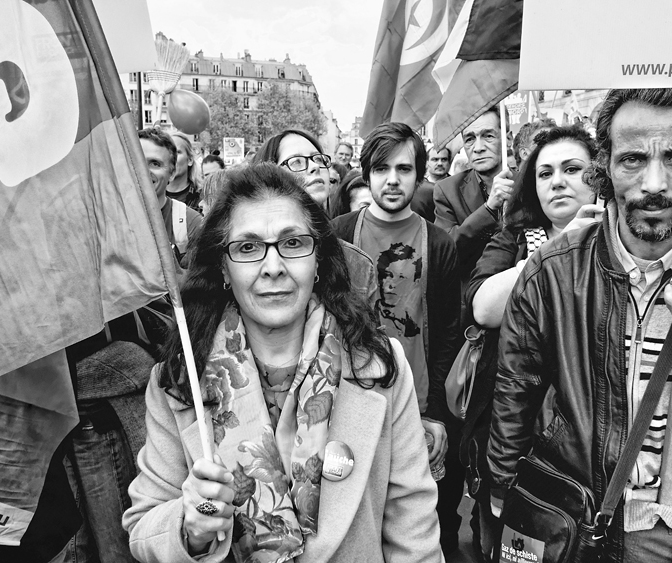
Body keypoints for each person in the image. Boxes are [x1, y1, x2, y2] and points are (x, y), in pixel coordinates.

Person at [122, 163, 442, 562]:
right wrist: (190, 528)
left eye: (292, 244)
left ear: (320, 259)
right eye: (248, 247)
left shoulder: (379, 366)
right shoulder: (180, 381)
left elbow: (413, 528)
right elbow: (143, 528)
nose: (273, 267)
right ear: (223, 266)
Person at [488, 88, 672, 562]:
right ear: (605, 167)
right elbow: (515, 396)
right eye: (633, 159)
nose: (654, 182)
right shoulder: (553, 272)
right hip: (575, 521)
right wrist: (501, 500)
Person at [462, 125, 601, 563]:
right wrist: (563, 246)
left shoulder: (624, 245)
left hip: (592, 443)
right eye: (544, 173)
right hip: (517, 438)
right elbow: (484, 308)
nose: (557, 181)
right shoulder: (516, 238)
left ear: (600, 176)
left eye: (573, 169)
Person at [331, 122, 462, 556]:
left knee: (418, 522)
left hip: (417, 408)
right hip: (351, 404)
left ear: (419, 175)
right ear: (366, 174)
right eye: (382, 168)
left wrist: (438, 413)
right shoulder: (338, 234)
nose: (392, 179)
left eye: (404, 168)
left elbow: (447, 334)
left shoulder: (439, 243)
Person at [254, 130, 377, 300]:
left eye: (318, 159)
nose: (314, 167)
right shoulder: (247, 257)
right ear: (268, 173)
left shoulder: (357, 264)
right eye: (296, 161)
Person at [433, 109, 514, 301]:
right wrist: (488, 209)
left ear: (508, 139)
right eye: (469, 139)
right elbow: (445, 251)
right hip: (470, 305)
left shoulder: (528, 184)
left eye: (488, 136)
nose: (478, 147)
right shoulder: (447, 190)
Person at [138, 128, 203, 271]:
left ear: (172, 173)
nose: (144, 170)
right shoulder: (105, 220)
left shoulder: (191, 223)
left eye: (155, 163)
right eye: (137, 161)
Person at [412, 145, 452, 223]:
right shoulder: (416, 187)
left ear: (449, 162)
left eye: (444, 159)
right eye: (435, 159)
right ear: (427, 163)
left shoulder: (457, 186)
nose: (440, 163)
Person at [168, 131, 203, 211]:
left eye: (177, 152)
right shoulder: (153, 194)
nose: (172, 158)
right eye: (168, 152)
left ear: (190, 159)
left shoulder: (202, 197)